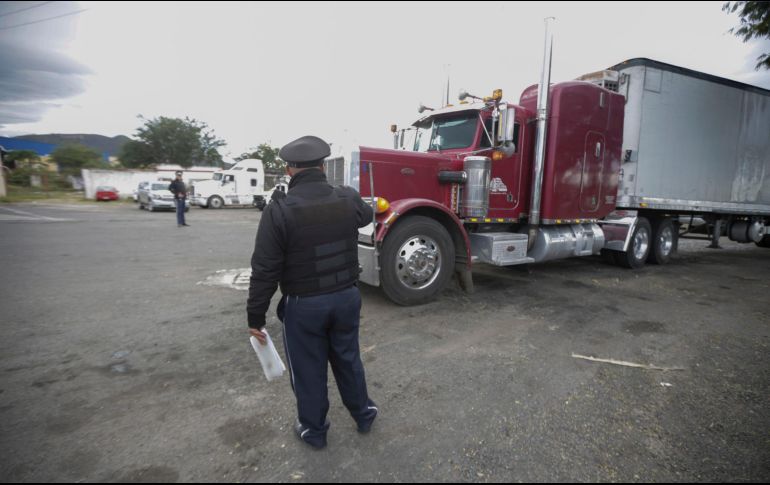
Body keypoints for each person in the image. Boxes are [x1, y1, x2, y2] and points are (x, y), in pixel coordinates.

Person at [247, 135, 378, 449]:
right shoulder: (346, 197)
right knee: (348, 360)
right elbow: (367, 215)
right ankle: (364, 414)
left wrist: (255, 316)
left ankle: (314, 431)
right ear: (323, 166)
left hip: (304, 306)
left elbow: (265, 270)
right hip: (346, 298)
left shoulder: (278, 210)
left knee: (308, 370)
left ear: (289, 170)